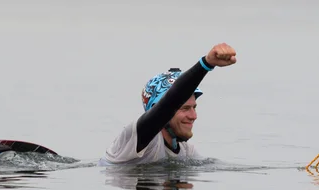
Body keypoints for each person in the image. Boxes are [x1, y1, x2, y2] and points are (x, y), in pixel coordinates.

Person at [98, 43, 237, 166]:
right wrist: (206, 64)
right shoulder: (136, 136)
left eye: (194, 107)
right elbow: (170, 102)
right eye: (185, 108)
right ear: (157, 110)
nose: (193, 116)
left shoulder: (185, 151)